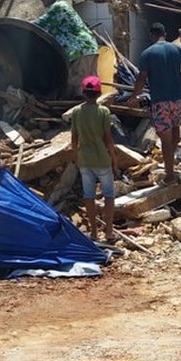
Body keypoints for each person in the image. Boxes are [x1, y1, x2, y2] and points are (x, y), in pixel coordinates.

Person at [127, 23, 181, 181]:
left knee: (165, 141)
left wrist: (134, 96)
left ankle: (169, 175)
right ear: (165, 34)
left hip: (161, 102)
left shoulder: (147, 53)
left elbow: (141, 78)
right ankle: (170, 161)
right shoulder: (176, 49)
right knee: (175, 133)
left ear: (151, 35)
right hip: (179, 100)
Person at [70, 76, 118, 242]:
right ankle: (109, 231)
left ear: (83, 93)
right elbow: (108, 139)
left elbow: (74, 139)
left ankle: (94, 233)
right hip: (102, 159)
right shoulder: (103, 112)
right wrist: (114, 160)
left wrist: (75, 157)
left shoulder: (76, 112)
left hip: (85, 159)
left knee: (88, 195)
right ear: (99, 94)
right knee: (109, 195)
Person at [33, 0, 100, 96]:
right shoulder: (62, 6)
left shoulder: (58, 7)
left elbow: (40, 24)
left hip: (80, 49)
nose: (42, 1)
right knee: (89, 82)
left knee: (78, 82)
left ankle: (81, 109)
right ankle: (89, 108)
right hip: (87, 48)